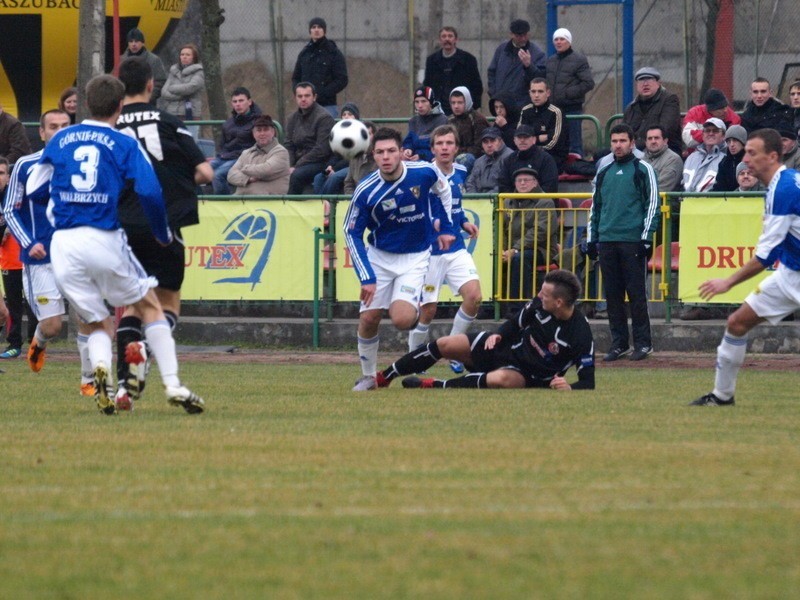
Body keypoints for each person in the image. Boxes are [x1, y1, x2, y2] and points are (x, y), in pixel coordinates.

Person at [26, 74, 205, 415]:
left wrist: (63, 202)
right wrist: (162, 232)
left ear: (86, 104)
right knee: (151, 306)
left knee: (98, 322)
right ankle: (173, 383)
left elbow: (35, 188)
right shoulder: (122, 142)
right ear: (119, 107)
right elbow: (150, 192)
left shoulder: (61, 139)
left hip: (63, 243)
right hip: (103, 235)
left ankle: (101, 375)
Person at [114, 58, 213, 408]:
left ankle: (124, 388)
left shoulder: (109, 128)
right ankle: (146, 351)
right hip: (164, 225)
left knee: (134, 304)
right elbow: (205, 172)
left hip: (121, 228)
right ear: (152, 84)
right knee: (168, 303)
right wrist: (178, 182)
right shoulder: (170, 123)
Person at [690, 128, 800, 406]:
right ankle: (722, 396)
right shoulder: (782, 184)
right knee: (737, 323)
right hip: (790, 272)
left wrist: (727, 282)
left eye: (753, 153)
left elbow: (764, 256)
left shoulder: (784, 189)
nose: (747, 159)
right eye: (746, 152)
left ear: (773, 156)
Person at [342, 127, 455, 392]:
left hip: (415, 257)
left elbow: (443, 189)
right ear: (373, 155)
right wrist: (366, 276)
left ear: (401, 152)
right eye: (380, 152)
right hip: (380, 257)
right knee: (369, 318)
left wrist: (448, 226)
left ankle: (412, 308)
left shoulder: (424, 172)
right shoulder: (366, 190)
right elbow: (351, 232)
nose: (386, 157)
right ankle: (369, 376)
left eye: (391, 150)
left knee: (402, 320)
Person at [375, 269, 594, 390]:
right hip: (505, 349)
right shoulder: (539, 303)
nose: (538, 296)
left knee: (500, 380)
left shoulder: (580, 335)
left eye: (544, 295)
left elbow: (588, 381)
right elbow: (516, 322)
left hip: (528, 375)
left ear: (558, 302)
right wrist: (499, 334)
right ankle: (384, 377)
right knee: (445, 344)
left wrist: (569, 387)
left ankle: (433, 385)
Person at [407, 125, 482, 375]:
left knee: (474, 297)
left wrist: (463, 223)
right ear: (432, 149)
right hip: (430, 252)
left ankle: (453, 349)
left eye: (449, 143)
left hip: (456, 248)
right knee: (428, 310)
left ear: (457, 148)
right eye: (439, 144)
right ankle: (414, 360)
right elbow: (418, 213)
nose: (445, 148)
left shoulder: (460, 172)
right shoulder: (423, 175)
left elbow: (456, 207)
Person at [585, 123, 660, 362]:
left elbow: (652, 204)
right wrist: (592, 239)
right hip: (607, 240)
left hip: (632, 241)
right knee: (612, 295)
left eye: (622, 141)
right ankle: (619, 344)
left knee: (636, 294)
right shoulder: (604, 171)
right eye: (614, 141)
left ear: (632, 143)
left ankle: (643, 343)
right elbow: (596, 208)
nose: (618, 145)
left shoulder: (643, 169)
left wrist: (646, 238)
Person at [501, 166, 558, 313]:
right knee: (492, 257)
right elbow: (503, 229)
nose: (522, 183)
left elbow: (540, 232)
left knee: (519, 258)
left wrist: (515, 249)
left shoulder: (545, 202)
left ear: (535, 183)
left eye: (526, 180)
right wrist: (503, 249)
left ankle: (516, 308)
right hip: (513, 249)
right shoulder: (507, 202)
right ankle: (488, 306)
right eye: (519, 180)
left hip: (541, 250)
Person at [0, 156, 38, 360]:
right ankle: (14, 344)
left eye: (2, 173)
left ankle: (36, 344)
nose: (0, 177)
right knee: (13, 304)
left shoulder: (16, 195)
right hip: (7, 259)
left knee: (33, 303)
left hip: (25, 257)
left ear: (8, 176)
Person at [545, 27, 595, 157]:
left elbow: (588, 83)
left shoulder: (579, 60)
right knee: (556, 143)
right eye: (556, 39)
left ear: (569, 41)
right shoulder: (550, 61)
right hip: (554, 110)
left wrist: (567, 94)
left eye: (562, 39)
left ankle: (576, 169)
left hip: (572, 109)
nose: (558, 42)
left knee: (574, 144)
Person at [284, 82, 335, 195]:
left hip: (319, 162)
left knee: (296, 175)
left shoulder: (324, 118)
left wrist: (296, 166)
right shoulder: (292, 118)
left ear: (314, 97)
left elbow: (322, 150)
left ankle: (291, 207)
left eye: (307, 96)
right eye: (300, 96)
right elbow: (289, 145)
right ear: (295, 98)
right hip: (298, 162)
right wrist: (290, 165)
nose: (303, 99)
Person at [291, 17, 348, 117]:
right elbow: (295, 77)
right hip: (305, 107)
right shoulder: (304, 53)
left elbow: (342, 79)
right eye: (313, 27)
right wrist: (300, 93)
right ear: (310, 31)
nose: (316, 30)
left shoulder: (333, 52)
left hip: (327, 106)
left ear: (324, 31)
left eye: (320, 27)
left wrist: (322, 93)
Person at [210, 87, 262, 195]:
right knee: (198, 173)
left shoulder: (258, 122)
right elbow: (221, 145)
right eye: (235, 101)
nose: (238, 104)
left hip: (242, 159)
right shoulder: (228, 123)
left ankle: (223, 206)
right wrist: (221, 155)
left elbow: (261, 146)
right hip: (224, 157)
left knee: (217, 175)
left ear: (249, 102)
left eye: (241, 101)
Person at [487, 19, 546, 111]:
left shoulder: (537, 53)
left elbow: (541, 79)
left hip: (523, 107)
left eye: (525, 35)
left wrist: (529, 66)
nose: (523, 38)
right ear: (511, 34)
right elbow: (491, 72)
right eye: (519, 36)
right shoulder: (502, 50)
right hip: (502, 105)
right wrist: (494, 95)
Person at [423, 26, 484, 116]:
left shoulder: (468, 60)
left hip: (462, 111)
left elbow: (476, 86)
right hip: (439, 110)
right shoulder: (431, 61)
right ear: (440, 40)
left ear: (456, 40)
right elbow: (427, 85)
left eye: (450, 36)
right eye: (444, 36)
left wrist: (473, 107)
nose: (447, 39)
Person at [622, 67, 682, 156]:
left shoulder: (669, 100)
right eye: (641, 80)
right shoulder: (631, 107)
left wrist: (634, 146)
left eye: (650, 79)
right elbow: (623, 133)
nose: (645, 84)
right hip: (633, 151)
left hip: (663, 152)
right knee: (600, 156)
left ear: (658, 83)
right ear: (636, 85)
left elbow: (666, 129)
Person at [227, 114, 290, 195]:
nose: (262, 133)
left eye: (266, 130)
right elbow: (231, 175)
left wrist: (244, 168)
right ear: (253, 133)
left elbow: (266, 170)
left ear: (273, 132)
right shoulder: (246, 153)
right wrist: (248, 179)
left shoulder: (281, 152)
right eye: (259, 130)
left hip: (270, 204)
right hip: (240, 202)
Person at [518, 77, 569, 171]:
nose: (536, 95)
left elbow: (555, 143)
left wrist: (532, 140)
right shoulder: (525, 110)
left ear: (548, 93)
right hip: (528, 154)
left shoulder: (556, 112)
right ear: (529, 93)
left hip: (552, 157)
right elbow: (520, 137)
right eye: (533, 92)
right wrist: (539, 138)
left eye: (540, 91)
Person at [159, 43, 205, 139]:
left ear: (194, 57)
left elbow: (190, 88)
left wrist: (173, 88)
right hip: (172, 113)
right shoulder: (174, 71)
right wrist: (182, 94)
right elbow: (164, 92)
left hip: (190, 114)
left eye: (188, 55)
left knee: (190, 141)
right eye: (182, 54)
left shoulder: (199, 72)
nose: (184, 57)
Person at [496, 124, 559, 194]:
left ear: (534, 140)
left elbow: (550, 187)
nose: (522, 140)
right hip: (515, 203)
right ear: (514, 140)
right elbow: (503, 186)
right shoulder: (509, 160)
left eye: (526, 137)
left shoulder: (546, 159)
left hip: (540, 203)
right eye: (519, 137)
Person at [312, 103, 359, 195]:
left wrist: (335, 169)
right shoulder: (339, 133)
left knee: (335, 177)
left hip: (353, 167)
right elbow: (335, 154)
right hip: (338, 166)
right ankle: (321, 206)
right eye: (344, 114)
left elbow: (352, 158)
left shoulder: (360, 134)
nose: (346, 117)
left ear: (356, 117)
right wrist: (330, 166)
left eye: (350, 114)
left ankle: (327, 203)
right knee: (318, 177)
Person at [447, 87, 489, 172]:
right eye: (453, 103)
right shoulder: (449, 120)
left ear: (467, 101)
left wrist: (455, 154)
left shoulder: (477, 120)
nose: (456, 106)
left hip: (473, 161)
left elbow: (479, 148)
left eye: (460, 102)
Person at [402, 86, 448, 162]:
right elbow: (409, 141)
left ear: (431, 102)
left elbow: (441, 148)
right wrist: (408, 149)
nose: (420, 105)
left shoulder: (442, 120)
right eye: (417, 102)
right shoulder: (413, 121)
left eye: (423, 101)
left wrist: (421, 156)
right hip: (413, 160)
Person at [120, 28, 167, 103]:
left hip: (147, 103)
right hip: (126, 103)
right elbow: (116, 81)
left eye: (136, 41)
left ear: (143, 43)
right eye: (131, 41)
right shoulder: (121, 60)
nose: (133, 44)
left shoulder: (154, 60)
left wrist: (147, 97)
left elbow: (160, 81)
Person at [682, 117, 726, 193]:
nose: (711, 133)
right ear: (702, 135)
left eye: (715, 131)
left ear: (723, 136)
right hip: (687, 202)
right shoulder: (691, 157)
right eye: (707, 131)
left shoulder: (726, 158)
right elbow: (682, 183)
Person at [465, 126, 514, 193]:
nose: (489, 145)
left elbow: (506, 185)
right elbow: (470, 183)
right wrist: (475, 198)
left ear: (500, 141)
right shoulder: (479, 161)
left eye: (492, 141)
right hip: (478, 200)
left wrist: (486, 198)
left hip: (499, 199)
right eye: (485, 142)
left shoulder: (510, 157)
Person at [642, 125, 683, 192]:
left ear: (665, 141)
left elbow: (662, 188)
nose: (653, 141)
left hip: (664, 201)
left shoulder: (673, 159)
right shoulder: (641, 160)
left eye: (656, 138)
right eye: (650, 138)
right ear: (646, 142)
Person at [343, 121, 378, 195]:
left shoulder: (380, 156)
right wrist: (353, 197)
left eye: (369, 134)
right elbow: (348, 183)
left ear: (374, 136)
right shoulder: (354, 156)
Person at [711, 124, 748, 192]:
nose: (731, 145)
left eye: (735, 140)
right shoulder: (724, 163)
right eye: (728, 141)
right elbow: (719, 186)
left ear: (743, 142)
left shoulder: (751, 161)